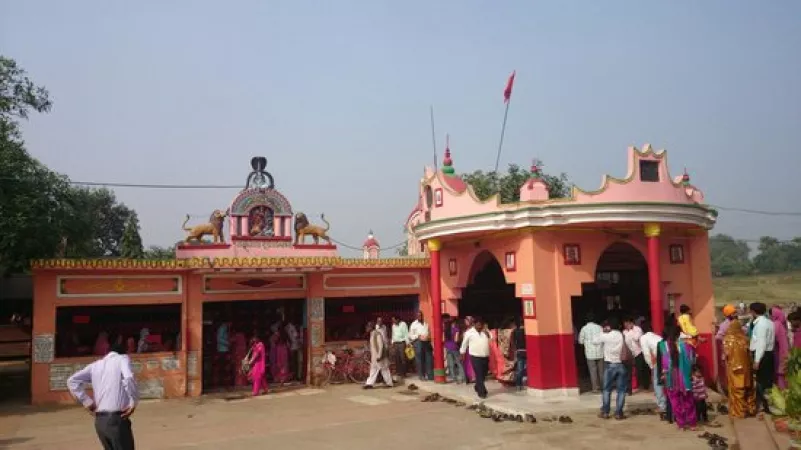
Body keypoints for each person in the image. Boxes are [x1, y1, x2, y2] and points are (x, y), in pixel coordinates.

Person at [67, 338, 138, 450]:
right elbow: (129, 378)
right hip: (116, 419)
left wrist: (87, 402)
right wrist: (133, 402)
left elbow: (72, 381)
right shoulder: (122, 358)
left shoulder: (95, 365)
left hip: (100, 421)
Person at [658, 325, 697, 431]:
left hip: (671, 378)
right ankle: (692, 423)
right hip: (684, 377)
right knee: (688, 400)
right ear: (679, 334)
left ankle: (681, 424)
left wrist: (663, 374)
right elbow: (692, 360)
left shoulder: (663, 346)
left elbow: (664, 364)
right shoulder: (686, 345)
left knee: (675, 402)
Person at [593, 318, 630, 420]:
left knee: (606, 390)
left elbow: (594, 341)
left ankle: (605, 412)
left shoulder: (606, 336)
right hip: (621, 364)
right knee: (621, 390)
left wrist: (603, 331)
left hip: (610, 365)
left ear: (609, 326)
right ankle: (619, 413)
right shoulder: (621, 335)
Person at [722, 317, 756, 418]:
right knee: (747, 389)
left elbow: (725, 355)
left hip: (734, 368)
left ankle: (739, 412)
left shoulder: (727, 340)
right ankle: (750, 409)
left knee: (736, 390)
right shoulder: (745, 339)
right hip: (746, 368)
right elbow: (750, 354)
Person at [749, 302, 776, 416]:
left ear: (753, 312)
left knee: (761, 382)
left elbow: (761, 343)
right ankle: (767, 405)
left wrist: (757, 360)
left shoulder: (760, 325)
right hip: (769, 354)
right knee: (767, 381)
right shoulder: (769, 322)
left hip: (762, 354)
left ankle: (764, 406)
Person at [460, 317, 491, 399]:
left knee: (484, 374)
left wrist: (487, 333)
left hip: (485, 356)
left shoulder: (486, 331)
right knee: (479, 374)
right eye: (478, 324)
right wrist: (462, 353)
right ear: (474, 324)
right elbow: (464, 344)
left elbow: (491, 339)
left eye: (481, 325)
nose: (480, 326)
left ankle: (477, 386)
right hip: (475, 356)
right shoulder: (469, 333)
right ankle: (482, 392)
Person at [639, 327, 666, 415]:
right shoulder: (657, 336)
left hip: (659, 359)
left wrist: (651, 366)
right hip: (667, 356)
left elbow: (646, 353)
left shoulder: (643, 338)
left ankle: (662, 406)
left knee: (657, 382)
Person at [578, 313, 604, 393]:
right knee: (601, 371)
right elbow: (603, 338)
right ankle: (603, 387)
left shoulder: (584, 329)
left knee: (593, 371)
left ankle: (595, 388)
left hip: (590, 353)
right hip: (600, 352)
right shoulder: (599, 327)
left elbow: (580, 341)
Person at [364, 321, 393, 389]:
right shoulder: (372, 334)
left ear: (371, 327)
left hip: (379, 356)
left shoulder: (377, 334)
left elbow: (381, 346)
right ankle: (369, 384)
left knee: (384, 369)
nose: (366, 328)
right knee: (374, 369)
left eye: (368, 326)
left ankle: (389, 383)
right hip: (375, 356)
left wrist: (379, 356)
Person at [623, 317, 648, 392]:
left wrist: (630, 330)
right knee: (633, 370)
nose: (626, 325)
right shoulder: (624, 332)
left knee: (641, 369)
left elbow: (636, 338)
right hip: (630, 353)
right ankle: (636, 385)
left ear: (631, 323)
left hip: (639, 351)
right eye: (624, 324)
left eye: (627, 323)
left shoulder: (637, 329)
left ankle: (645, 385)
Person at [409, 311, 433, 380]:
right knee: (420, 360)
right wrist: (418, 336)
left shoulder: (426, 323)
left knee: (429, 359)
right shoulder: (413, 324)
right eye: (418, 316)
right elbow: (410, 335)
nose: (420, 317)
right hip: (418, 342)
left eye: (421, 315)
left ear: (423, 316)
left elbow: (429, 332)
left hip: (426, 342)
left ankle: (430, 375)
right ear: (416, 317)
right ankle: (421, 376)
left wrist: (428, 337)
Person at [771, 306, 790, 389]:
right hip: (784, 352)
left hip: (779, 353)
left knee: (780, 376)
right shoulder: (783, 324)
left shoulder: (776, 324)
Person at [443, 314, 465, 384]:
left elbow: (443, 339)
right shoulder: (456, 329)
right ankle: (462, 377)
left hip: (447, 347)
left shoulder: (445, 329)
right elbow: (456, 340)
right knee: (459, 363)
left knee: (450, 363)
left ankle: (453, 377)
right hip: (454, 347)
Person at [493, 319, 515, 385]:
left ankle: (503, 379)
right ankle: (508, 380)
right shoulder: (510, 331)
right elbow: (511, 341)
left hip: (501, 349)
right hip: (509, 349)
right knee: (510, 365)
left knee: (503, 365)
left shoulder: (499, 331)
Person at [390, 315, 409, 380]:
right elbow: (393, 334)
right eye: (392, 320)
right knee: (397, 358)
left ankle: (404, 373)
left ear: (397, 319)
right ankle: (399, 372)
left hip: (402, 343)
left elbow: (406, 334)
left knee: (403, 358)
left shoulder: (403, 324)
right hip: (396, 343)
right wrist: (392, 342)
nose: (393, 321)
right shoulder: (393, 326)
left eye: (394, 320)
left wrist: (407, 343)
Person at [512, 319, 527, 391]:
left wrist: (515, 350)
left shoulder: (515, 331)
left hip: (519, 351)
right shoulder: (527, 331)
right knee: (526, 369)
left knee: (520, 369)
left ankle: (518, 384)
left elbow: (513, 342)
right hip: (527, 351)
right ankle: (523, 384)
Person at [462, 316, 476, 383]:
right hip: (467, 348)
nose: (465, 322)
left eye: (466, 320)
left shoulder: (474, 329)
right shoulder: (466, 329)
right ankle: (469, 377)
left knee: (471, 363)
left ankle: (473, 377)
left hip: (472, 348)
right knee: (467, 363)